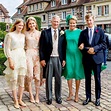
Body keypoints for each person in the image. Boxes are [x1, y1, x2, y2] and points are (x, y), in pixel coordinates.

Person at [78, 14, 106, 106]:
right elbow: (80, 45)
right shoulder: (83, 33)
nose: (89, 22)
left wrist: (94, 49)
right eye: (87, 20)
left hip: (97, 59)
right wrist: (84, 48)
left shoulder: (100, 31)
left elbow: (104, 44)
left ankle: (97, 98)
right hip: (87, 59)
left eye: (90, 20)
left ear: (93, 20)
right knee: (87, 79)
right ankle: (88, 97)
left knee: (97, 79)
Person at [39, 15, 66, 105]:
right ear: (51, 22)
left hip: (58, 58)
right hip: (49, 58)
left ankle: (58, 97)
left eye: (57, 22)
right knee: (48, 79)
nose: (56, 23)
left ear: (59, 23)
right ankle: (49, 97)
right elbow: (41, 47)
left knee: (58, 79)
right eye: (54, 21)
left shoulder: (62, 33)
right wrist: (42, 59)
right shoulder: (45, 33)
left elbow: (64, 47)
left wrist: (64, 59)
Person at [3, 19, 27, 108]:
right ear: (15, 25)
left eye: (22, 26)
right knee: (14, 79)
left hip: (22, 57)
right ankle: (15, 100)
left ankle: (20, 99)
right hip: (14, 57)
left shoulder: (23, 36)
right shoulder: (10, 35)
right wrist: (10, 60)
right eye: (19, 25)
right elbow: (7, 48)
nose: (20, 27)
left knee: (22, 79)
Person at [62, 15, 85, 102]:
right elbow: (63, 45)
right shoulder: (65, 32)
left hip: (78, 55)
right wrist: (63, 58)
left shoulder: (80, 32)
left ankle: (76, 94)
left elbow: (84, 41)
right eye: (71, 23)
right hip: (68, 55)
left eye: (74, 23)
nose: (72, 25)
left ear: (76, 23)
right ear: (68, 24)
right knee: (69, 73)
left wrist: (83, 44)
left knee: (77, 73)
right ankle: (70, 92)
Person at [24, 17, 41, 103]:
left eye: (33, 23)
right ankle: (31, 95)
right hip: (28, 54)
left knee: (37, 77)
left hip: (37, 55)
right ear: (28, 25)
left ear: (35, 24)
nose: (32, 25)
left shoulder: (39, 33)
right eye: (30, 23)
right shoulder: (25, 33)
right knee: (30, 75)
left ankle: (37, 95)